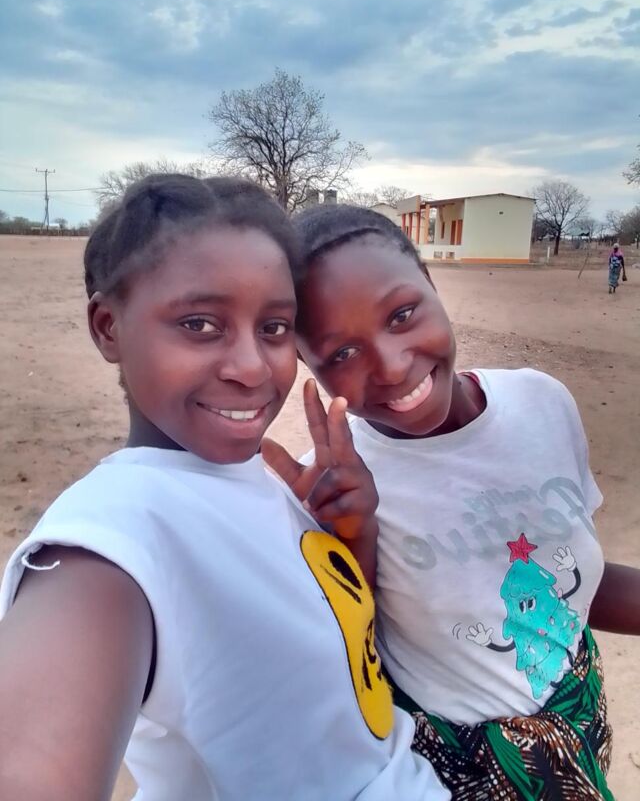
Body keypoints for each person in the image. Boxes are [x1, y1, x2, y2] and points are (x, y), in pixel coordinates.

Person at [0, 179, 449, 801]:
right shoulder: (113, 540)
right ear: (108, 328)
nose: (252, 367)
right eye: (200, 324)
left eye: (274, 327)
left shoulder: (255, 479)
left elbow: (338, 668)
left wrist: (353, 537)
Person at [285, 203, 640, 800]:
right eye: (341, 354)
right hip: (466, 769)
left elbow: (577, 586)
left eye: (401, 315)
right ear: (307, 364)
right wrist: (354, 532)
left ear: (430, 282)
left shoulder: (541, 402)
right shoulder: (334, 488)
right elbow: (347, 654)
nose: (392, 366)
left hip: (577, 710)